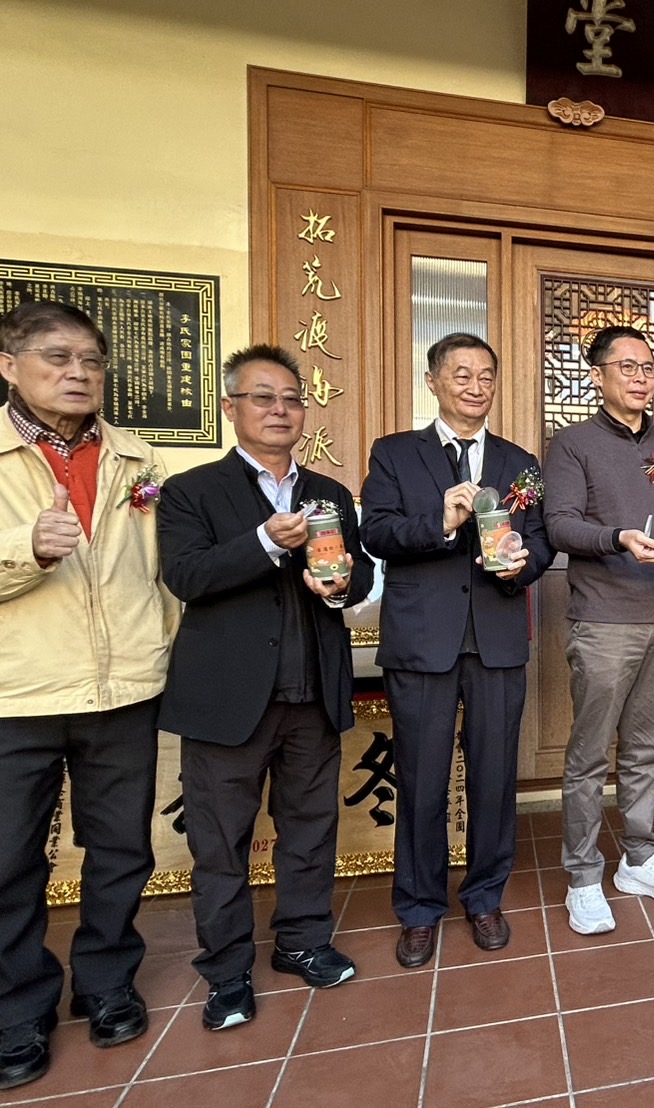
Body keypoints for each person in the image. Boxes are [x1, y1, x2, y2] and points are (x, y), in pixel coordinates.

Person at [157, 344, 374, 1030]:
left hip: (312, 694)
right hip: (228, 701)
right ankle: (226, 973)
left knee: (309, 829)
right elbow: (186, 577)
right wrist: (265, 542)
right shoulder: (192, 491)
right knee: (221, 844)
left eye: (290, 399)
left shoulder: (328, 494)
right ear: (231, 408)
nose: (280, 410)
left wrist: (341, 588)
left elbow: (360, 577)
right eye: (262, 397)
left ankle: (302, 942)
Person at [0, 301, 179, 1090]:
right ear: (9, 366)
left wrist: (164, 650)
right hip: (18, 692)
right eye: (57, 357)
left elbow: (166, 571)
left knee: (121, 850)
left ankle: (107, 983)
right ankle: (17, 1008)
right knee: (9, 860)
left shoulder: (140, 460)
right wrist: (24, 550)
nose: (77, 373)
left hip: (124, 689)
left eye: (91, 361)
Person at [360, 333, 553, 968]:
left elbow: (542, 540)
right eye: (462, 374)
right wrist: (441, 524)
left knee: (494, 777)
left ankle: (485, 896)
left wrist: (523, 564)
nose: (475, 386)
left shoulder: (519, 461)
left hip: (497, 636)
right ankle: (419, 908)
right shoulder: (395, 453)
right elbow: (376, 532)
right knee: (421, 779)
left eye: (486, 376)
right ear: (433, 382)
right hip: (423, 641)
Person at [543, 325, 654, 934]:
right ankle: (583, 875)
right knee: (590, 756)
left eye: (648, 368)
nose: (642, 378)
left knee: (645, 750)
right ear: (597, 376)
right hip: (604, 620)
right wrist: (617, 538)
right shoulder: (572, 444)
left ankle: (638, 858)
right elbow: (559, 524)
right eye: (628, 367)